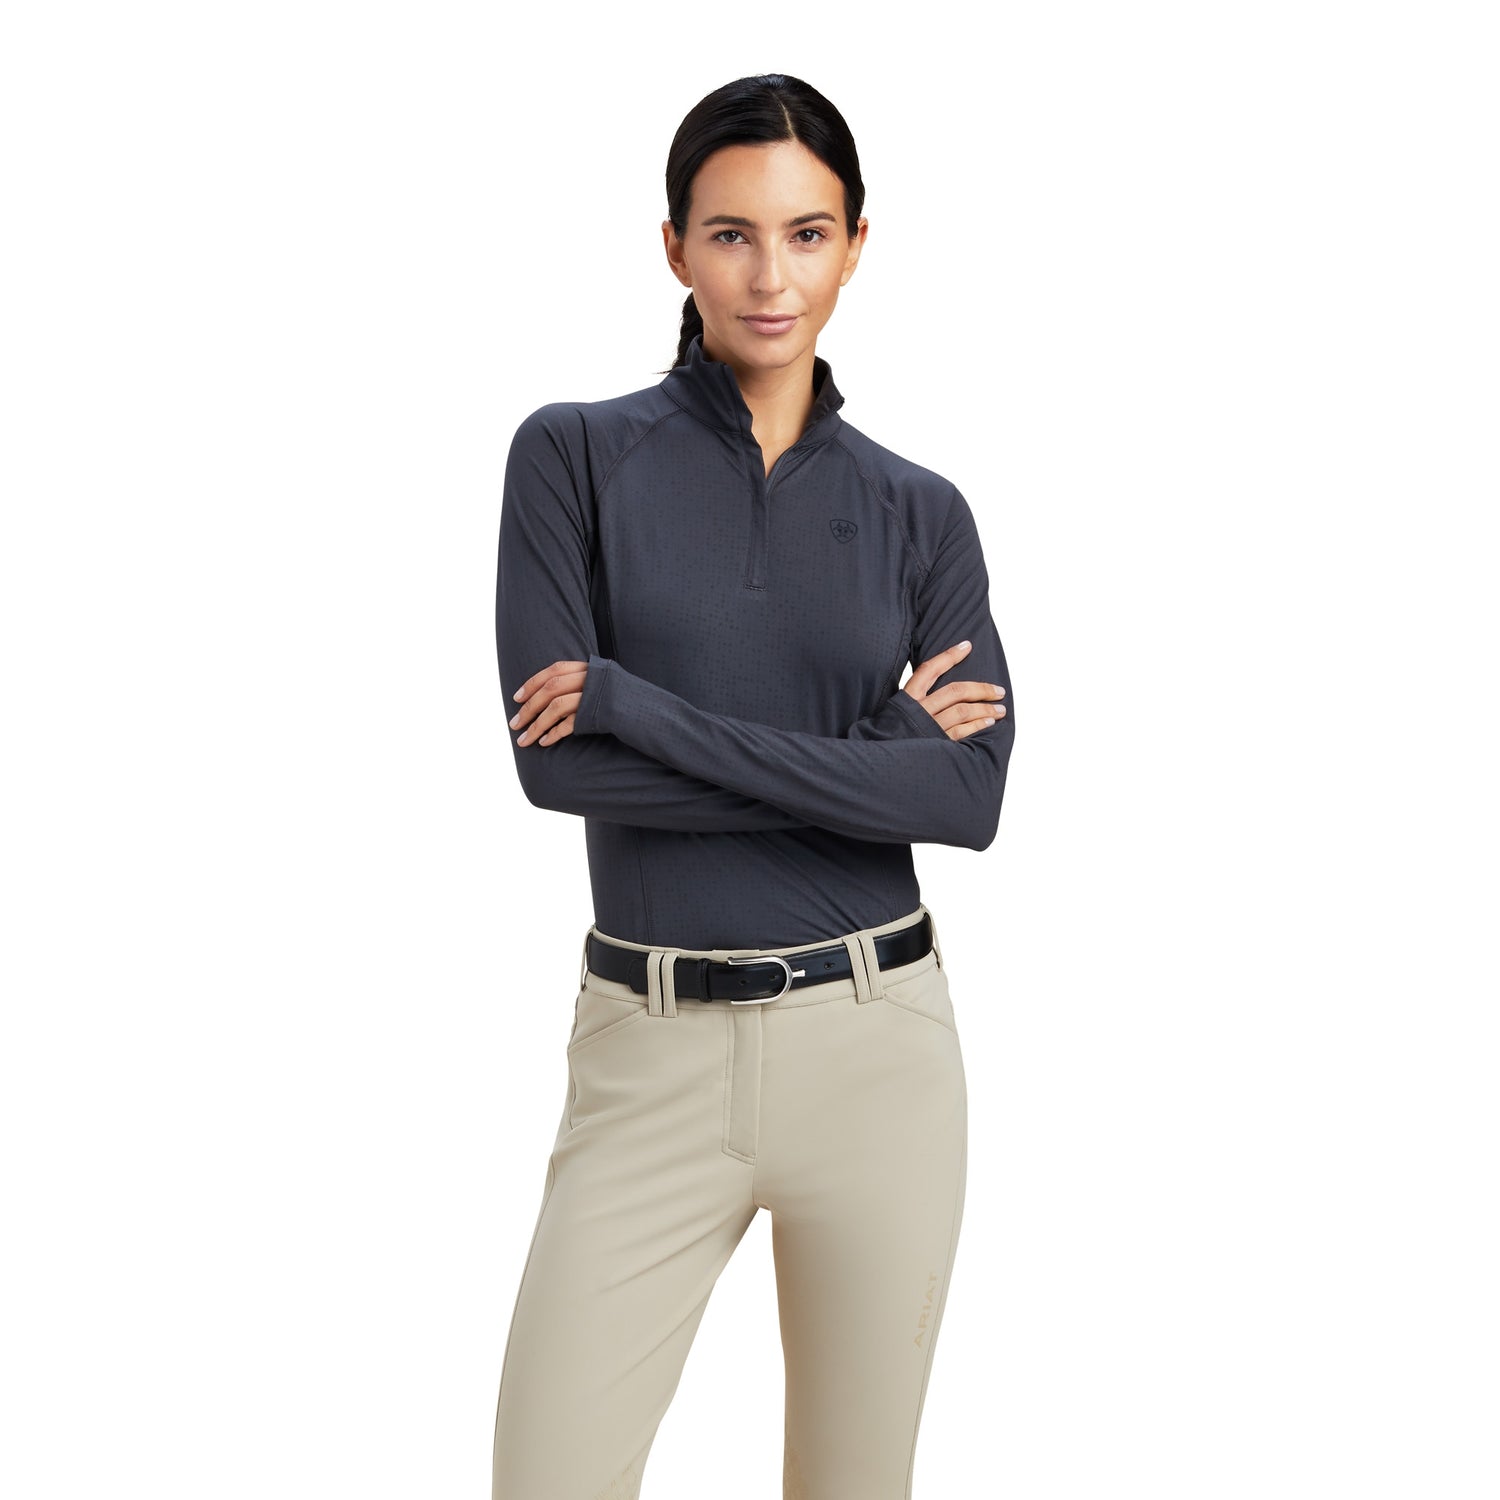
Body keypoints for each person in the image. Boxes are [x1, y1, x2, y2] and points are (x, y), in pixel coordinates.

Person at [490, 73, 1015, 1500]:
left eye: (805, 233)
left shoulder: (920, 512)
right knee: (548, 1477)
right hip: (648, 1051)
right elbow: (555, 768)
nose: (769, 276)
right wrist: (871, 754)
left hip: (880, 1048)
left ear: (855, 246)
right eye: (730, 234)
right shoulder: (573, 458)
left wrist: (638, 707)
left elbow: (965, 802)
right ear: (674, 247)